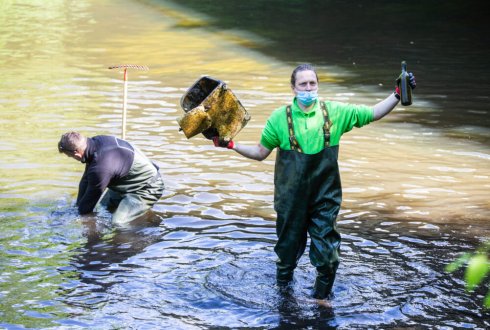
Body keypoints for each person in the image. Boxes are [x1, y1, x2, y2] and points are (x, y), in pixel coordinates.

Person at [213, 64, 416, 299]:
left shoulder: (335, 113)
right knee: (287, 254)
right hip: (290, 201)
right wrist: (230, 145)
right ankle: (284, 297)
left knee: (329, 257)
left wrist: (397, 95)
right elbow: (260, 152)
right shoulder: (279, 118)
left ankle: (321, 301)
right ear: (293, 88)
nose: (308, 88)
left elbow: (372, 113)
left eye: (312, 83)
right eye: (303, 84)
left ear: (317, 85)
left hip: (324, 199)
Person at [58, 132, 165, 225]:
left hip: (146, 188)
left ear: (76, 153)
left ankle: (134, 241)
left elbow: (88, 205)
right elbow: (85, 181)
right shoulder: (95, 143)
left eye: (70, 156)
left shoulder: (100, 167)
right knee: (103, 208)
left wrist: (77, 217)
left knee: (118, 223)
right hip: (126, 181)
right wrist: (77, 206)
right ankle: (139, 213)